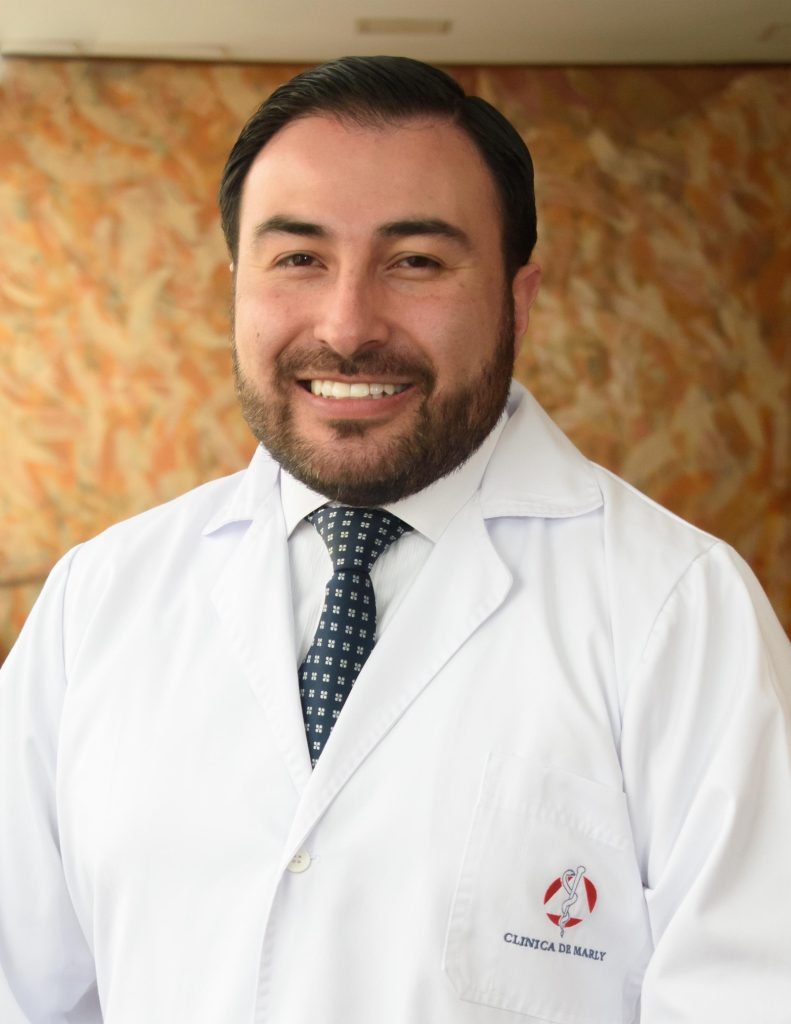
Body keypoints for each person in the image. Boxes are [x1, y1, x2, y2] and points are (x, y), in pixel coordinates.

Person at [0, 56, 789, 1024]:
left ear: (517, 300)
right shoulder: (97, 600)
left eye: (415, 261)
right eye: (298, 259)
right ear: (237, 287)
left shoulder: (680, 610)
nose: (346, 326)